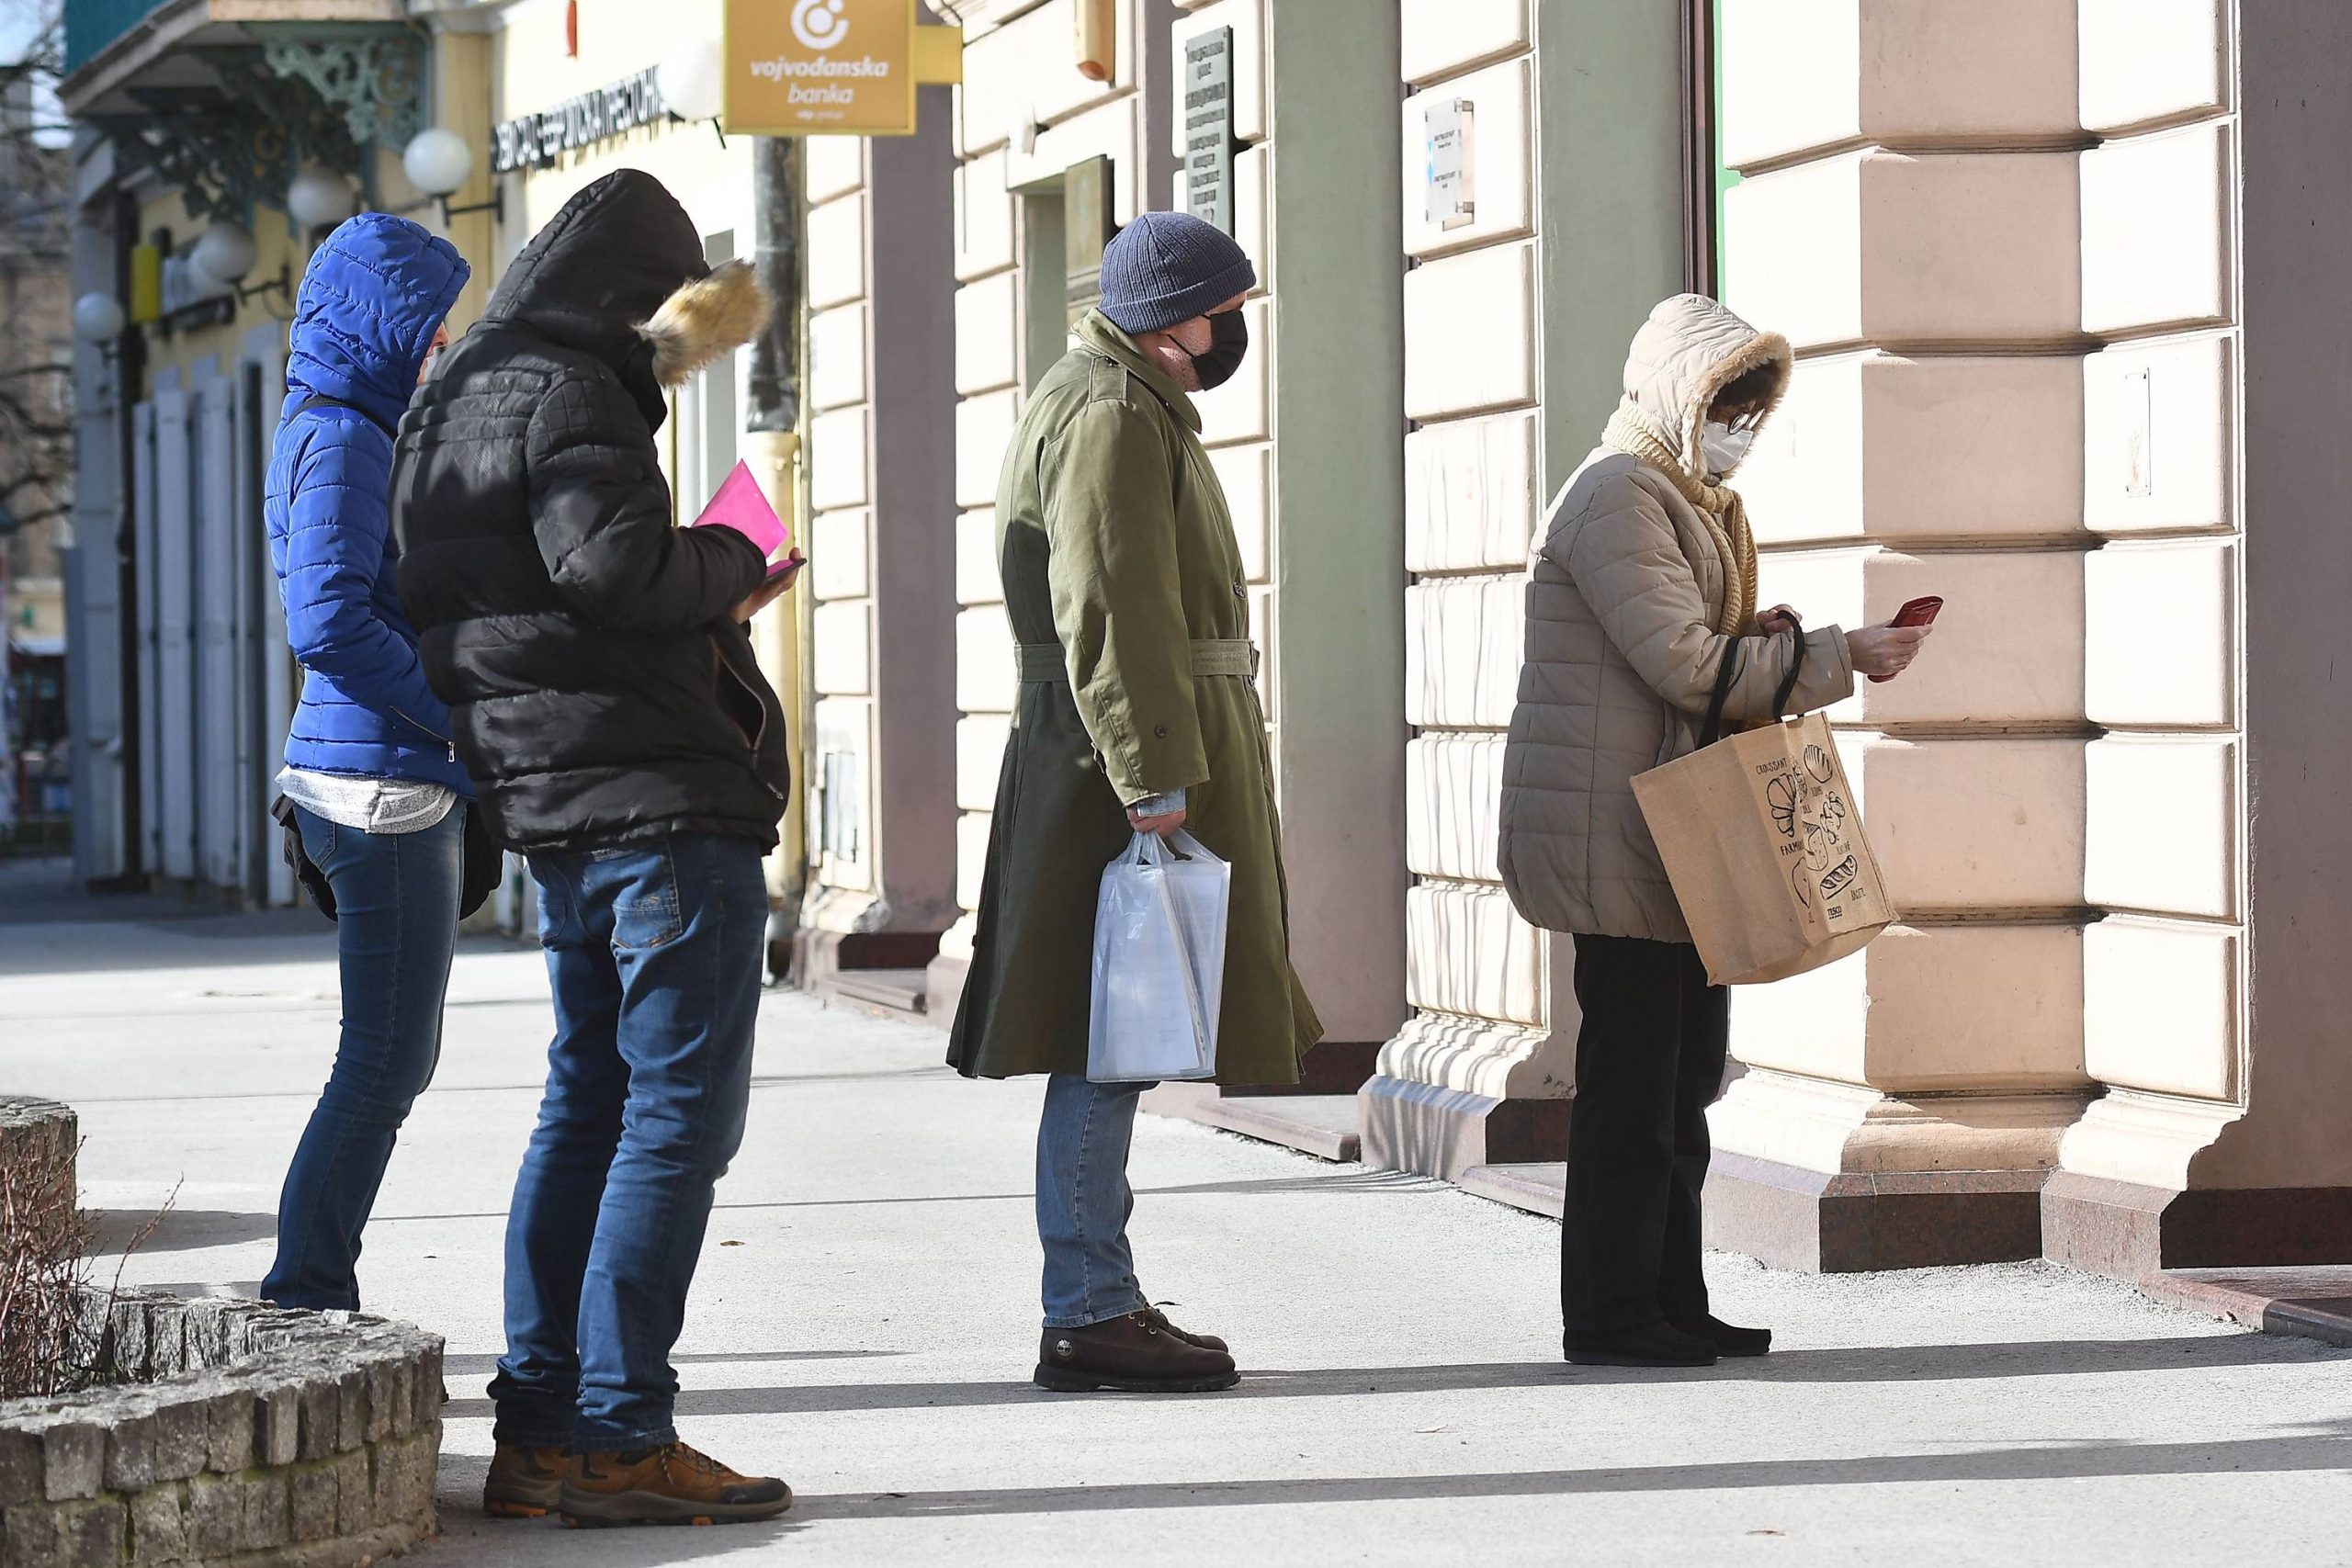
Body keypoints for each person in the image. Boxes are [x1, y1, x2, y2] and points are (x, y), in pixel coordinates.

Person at [391, 169, 797, 1528]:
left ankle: (543, 1429)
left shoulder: (454, 393)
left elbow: (461, 599)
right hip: (657, 798)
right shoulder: (573, 394)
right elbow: (614, 570)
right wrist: (734, 559)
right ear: (631, 295)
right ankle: (623, 1430)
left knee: (590, 1101)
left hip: (553, 802)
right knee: (675, 1115)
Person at [1496, 293, 1933, 1370]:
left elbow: (1698, 646)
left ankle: (1670, 1302)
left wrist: (1766, 636)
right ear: (1675, 399)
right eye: (1725, 404)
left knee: (1683, 1087)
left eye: (1751, 406)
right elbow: (1685, 666)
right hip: (1625, 836)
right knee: (1632, 1094)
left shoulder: (1689, 498)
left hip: (1677, 831)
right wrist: (1836, 656)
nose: (1739, 425)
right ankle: (1608, 1317)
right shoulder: (1618, 498)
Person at [949, 210, 1324, 1394]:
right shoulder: (1112, 411)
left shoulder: (1113, 399)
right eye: (1225, 309)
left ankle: (1097, 1297)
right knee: (1107, 1040)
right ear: (1177, 320)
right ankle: (1091, 1306)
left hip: (1108, 755)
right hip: (1117, 767)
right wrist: (1152, 773)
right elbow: (1113, 605)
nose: (1233, 332)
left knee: (1113, 1034)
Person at [261, 213, 471, 1314]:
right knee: (384, 1061)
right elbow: (330, 621)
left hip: (378, 770)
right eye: (431, 329)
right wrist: (456, 717)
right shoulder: (343, 437)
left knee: (389, 1057)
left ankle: (311, 1287)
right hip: (381, 783)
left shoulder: (340, 425)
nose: (441, 347)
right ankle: (305, 1298)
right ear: (386, 327)